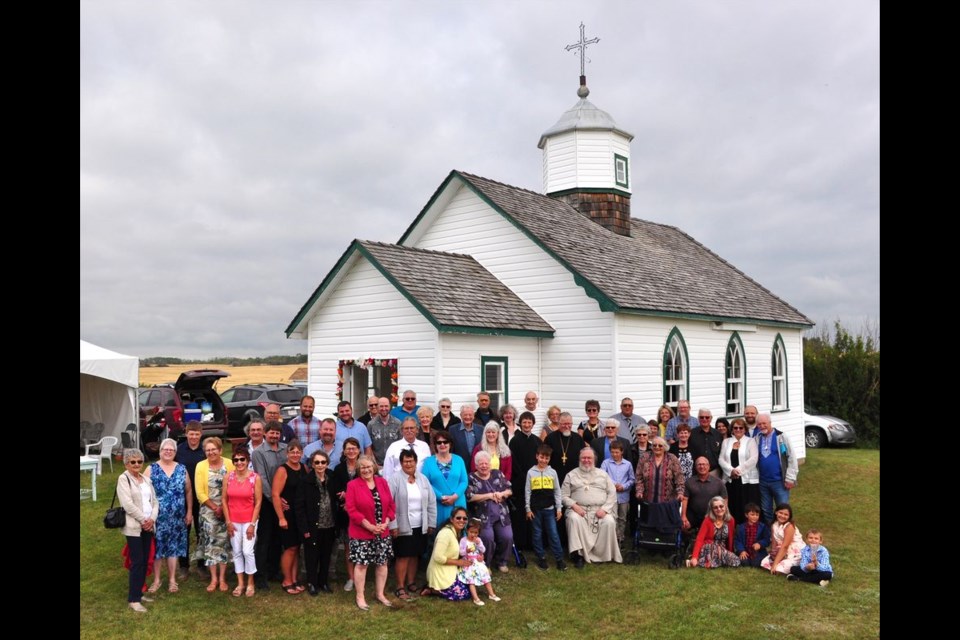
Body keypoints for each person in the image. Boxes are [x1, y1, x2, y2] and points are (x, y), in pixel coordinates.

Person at [345, 455, 396, 610]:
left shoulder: (382, 482)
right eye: (362, 467)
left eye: (368, 466)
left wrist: (386, 523)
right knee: (361, 564)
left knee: (382, 563)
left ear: (374, 467)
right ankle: (360, 596)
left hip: (383, 532)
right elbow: (352, 510)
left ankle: (380, 594)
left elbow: (391, 506)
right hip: (362, 533)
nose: (366, 470)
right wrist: (370, 526)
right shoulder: (352, 485)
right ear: (358, 470)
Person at [145, 438, 193, 595]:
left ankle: (172, 580)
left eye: (171, 450)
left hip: (177, 517)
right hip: (156, 517)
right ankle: (157, 580)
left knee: (173, 548)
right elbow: (143, 493)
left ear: (175, 452)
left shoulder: (181, 469)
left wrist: (189, 511)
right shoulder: (151, 469)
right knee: (158, 549)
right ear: (160, 451)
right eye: (165, 449)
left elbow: (188, 491)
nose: (168, 452)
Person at [387, 448, 436, 601]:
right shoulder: (395, 479)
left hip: (420, 524)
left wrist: (431, 522)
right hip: (402, 525)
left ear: (416, 462)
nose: (408, 464)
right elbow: (389, 504)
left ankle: (411, 582)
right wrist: (393, 525)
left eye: (411, 460)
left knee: (415, 554)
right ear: (401, 463)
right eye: (405, 461)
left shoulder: (422, 479)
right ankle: (400, 586)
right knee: (403, 555)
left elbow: (431, 502)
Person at [562, 448, 622, 567]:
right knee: (573, 519)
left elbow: (612, 493)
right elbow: (563, 496)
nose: (586, 460)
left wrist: (604, 509)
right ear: (579, 459)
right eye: (583, 458)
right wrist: (574, 505)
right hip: (579, 510)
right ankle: (578, 555)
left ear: (594, 459)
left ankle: (603, 555)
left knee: (609, 521)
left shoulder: (603, 475)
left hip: (599, 510)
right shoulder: (571, 475)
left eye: (589, 458)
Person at [117, 448, 158, 613]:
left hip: (148, 525)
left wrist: (152, 519)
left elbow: (155, 501)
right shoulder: (123, 479)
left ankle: (139, 593)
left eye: (139, 461)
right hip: (134, 527)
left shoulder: (146, 479)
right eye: (132, 462)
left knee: (145, 560)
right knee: (137, 562)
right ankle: (133, 599)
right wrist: (143, 520)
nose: (136, 464)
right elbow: (127, 504)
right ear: (126, 463)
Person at [221, 446, 263, 597]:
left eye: (242, 459)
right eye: (236, 460)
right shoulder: (228, 477)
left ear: (247, 460)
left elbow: (258, 502)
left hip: (249, 520)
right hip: (233, 520)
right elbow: (224, 500)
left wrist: (252, 524)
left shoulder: (255, 478)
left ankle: (251, 582)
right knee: (237, 551)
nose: (239, 462)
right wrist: (228, 521)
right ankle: (240, 583)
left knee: (247, 551)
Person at [195, 437, 235, 592]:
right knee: (211, 544)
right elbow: (200, 492)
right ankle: (213, 579)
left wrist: (224, 508)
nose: (211, 452)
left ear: (220, 450)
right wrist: (214, 507)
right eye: (208, 450)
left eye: (213, 449)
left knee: (223, 543)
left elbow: (234, 484)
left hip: (227, 509)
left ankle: (223, 578)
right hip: (208, 511)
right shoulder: (201, 466)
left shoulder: (229, 464)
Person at [295, 450, 338, 596]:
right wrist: (304, 528)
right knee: (312, 556)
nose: (320, 465)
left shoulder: (332, 477)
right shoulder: (305, 481)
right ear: (312, 464)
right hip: (313, 526)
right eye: (317, 462)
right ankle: (312, 582)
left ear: (327, 463)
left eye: (323, 462)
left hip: (330, 524)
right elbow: (299, 507)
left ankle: (323, 582)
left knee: (326, 555)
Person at [251, 421, 287, 590]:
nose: (274, 436)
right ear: (265, 434)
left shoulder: (285, 449)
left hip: (284, 502)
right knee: (264, 539)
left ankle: (274, 570)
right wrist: (275, 499)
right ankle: (261, 575)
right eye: (271, 433)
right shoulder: (258, 453)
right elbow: (262, 478)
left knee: (278, 539)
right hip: (267, 501)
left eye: (277, 433)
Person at [466, 451, 515, 573]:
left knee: (507, 536)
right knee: (487, 537)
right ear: (476, 465)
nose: (484, 466)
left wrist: (502, 493)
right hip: (482, 517)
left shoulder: (497, 474)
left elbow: (510, 490)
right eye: (480, 464)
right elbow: (469, 497)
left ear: (490, 464)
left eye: (486, 463)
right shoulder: (471, 477)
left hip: (502, 515)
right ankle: (485, 564)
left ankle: (502, 561)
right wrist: (489, 495)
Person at [272, 439, 307, 594]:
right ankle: (286, 580)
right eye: (292, 452)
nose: (295, 454)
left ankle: (294, 578)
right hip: (287, 515)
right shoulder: (282, 470)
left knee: (297, 547)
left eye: (298, 452)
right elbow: (275, 494)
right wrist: (281, 517)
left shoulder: (304, 468)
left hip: (300, 514)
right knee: (289, 548)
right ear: (287, 453)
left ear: (302, 453)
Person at [525, 444, 566, 571]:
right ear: (537, 456)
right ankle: (541, 557)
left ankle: (559, 559)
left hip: (549, 509)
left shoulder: (552, 472)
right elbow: (528, 491)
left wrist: (559, 508)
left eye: (546, 458)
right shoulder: (531, 472)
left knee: (553, 534)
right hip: (535, 510)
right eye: (541, 457)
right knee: (537, 534)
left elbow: (557, 491)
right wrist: (528, 509)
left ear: (549, 459)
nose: (543, 460)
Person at [754, 413, 799, 525]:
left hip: (779, 481)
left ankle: (785, 531)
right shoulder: (757, 438)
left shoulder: (782, 437)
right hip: (763, 482)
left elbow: (791, 457)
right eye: (759, 424)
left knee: (783, 509)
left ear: (770, 423)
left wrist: (790, 478)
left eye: (764, 423)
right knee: (766, 509)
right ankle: (771, 532)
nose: (762, 426)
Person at [330, 437, 362, 591]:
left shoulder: (364, 467)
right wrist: (344, 498)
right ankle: (351, 578)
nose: (351, 451)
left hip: (361, 512)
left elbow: (366, 488)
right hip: (344, 513)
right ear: (343, 451)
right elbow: (336, 490)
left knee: (361, 546)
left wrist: (348, 495)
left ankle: (360, 575)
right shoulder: (338, 469)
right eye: (348, 448)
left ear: (359, 450)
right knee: (349, 546)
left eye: (354, 448)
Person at [175, 421, 205, 577]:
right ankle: (183, 565)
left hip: (201, 498)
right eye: (191, 434)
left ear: (201, 434)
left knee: (201, 532)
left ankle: (202, 564)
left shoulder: (205, 450)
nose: (194, 437)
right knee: (183, 532)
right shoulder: (179, 451)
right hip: (183, 497)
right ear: (186, 434)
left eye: (197, 434)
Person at [421, 507, 471, 601]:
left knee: (470, 585)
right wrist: (458, 562)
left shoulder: (456, 532)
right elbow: (438, 557)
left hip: (449, 569)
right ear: (452, 519)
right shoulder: (446, 533)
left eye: (465, 518)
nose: (462, 520)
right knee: (464, 594)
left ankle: (435, 589)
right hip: (440, 572)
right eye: (458, 518)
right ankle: (433, 590)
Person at [421, 431, 469, 528]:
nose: (442, 444)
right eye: (439, 442)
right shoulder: (428, 462)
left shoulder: (459, 460)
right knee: (441, 534)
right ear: (435, 445)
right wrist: (441, 496)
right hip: (439, 504)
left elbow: (464, 481)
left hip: (458, 502)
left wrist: (455, 496)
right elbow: (425, 482)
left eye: (445, 442)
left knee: (459, 533)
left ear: (450, 444)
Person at [719, 417, 760, 523]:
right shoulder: (726, 442)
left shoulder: (751, 441)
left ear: (745, 429)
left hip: (747, 481)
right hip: (730, 479)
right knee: (733, 507)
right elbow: (721, 459)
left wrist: (737, 470)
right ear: (731, 429)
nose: (738, 430)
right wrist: (731, 470)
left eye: (741, 427)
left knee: (747, 507)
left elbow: (753, 459)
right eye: (735, 427)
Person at [509, 411, 540, 551]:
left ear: (533, 424)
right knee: (521, 513)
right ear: (520, 424)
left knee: (533, 511)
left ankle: (533, 542)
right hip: (519, 481)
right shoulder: (514, 441)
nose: (527, 425)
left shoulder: (537, 441)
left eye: (529, 422)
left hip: (534, 482)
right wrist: (523, 476)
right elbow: (513, 461)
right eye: (524, 422)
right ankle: (520, 542)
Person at [458, 518, 502, 606]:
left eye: (476, 533)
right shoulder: (463, 540)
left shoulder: (478, 540)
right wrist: (466, 551)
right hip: (468, 563)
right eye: (471, 532)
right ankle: (476, 598)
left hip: (477, 562)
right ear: (467, 531)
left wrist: (479, 544)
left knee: (486, 578)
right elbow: (460, 552)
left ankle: (491, 594)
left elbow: (483, 550)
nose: (473, 535)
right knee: (471, 580)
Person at [688, 496, 740, 568]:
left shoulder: (731, 520)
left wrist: (730, 552)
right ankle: (702, 561)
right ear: (712, 510)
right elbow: (700, 539)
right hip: (708, 547)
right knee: (713, 547)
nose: (719, 509)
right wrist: (694, 557)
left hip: (722, 549)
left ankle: (708, 562)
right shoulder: (708, 520)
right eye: (715, 507)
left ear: (725, 507)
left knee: (736, 561)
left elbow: (731, 539)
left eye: (721, 506)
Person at [600, 440, 634, 546]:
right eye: (612, 452)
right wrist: (614, 484)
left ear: (622, 452)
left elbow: (632, 479)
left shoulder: (628, 464)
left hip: (623, 496)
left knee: (622, 517)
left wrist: (624, 486)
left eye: (617, 452)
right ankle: (612, 538)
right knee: (612, 517)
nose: (615, 454)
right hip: (610, 496)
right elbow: (602, 476)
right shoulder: (606, 463)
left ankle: (620, 538)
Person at [681, 457, 728, 533]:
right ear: (695, 467)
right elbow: (684, 499)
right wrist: (683, 516)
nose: (702, 467)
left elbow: (725, 500)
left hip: (712, 516)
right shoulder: (689, 482)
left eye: (704, 464)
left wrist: (721, 517)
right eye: (699, 465)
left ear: (709, 466)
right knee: (684, 526)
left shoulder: (718, 483)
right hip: (692, 516)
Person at [635, 436, 685, 506]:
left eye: (660, 445)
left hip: (668, 502)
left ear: (665, 447)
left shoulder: (672, 458)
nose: (657, 447)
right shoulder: (645, 457)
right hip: (648, 501)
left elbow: (679, 477)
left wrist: (680, 492)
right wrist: (639, 491)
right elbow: (639, 477)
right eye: (654, 445)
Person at [761, 503, 804, 575]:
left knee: (777, 570)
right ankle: (779, 563)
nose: (782, 516)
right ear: (776, 512)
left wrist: (775, 564)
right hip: (781, 550)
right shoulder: (774, 525)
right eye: (781, 513)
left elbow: (785, 546)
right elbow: (774, 543)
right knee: (764, 564)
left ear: (789, 516)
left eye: (786, 515)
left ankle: (797, 567)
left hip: (794, 552)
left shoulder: (789, 526)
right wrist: (774, 554)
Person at [546, 412, 584, 484]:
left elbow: (583, 457)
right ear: (559, 424)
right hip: (554, 477)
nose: (567, 426)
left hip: (574, 477)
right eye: (564, 424)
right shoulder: (550, 438)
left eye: (569, 424)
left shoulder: (578, 438)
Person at [367, 397, 402, 466]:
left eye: (386, 406)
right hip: (377, 464)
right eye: (381, 406)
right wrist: (374, 463)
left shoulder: (397, 423)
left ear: (390, 407)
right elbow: (369, 446)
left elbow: (401, 444)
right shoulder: (371, 424)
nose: (384, 409)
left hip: (394, 464)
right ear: (377, 408)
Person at [734, 502, 770, 568]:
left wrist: (760, 544)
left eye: (757, 515)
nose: (755, 517)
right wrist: (742, 551)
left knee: (755, 564)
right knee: (744, 563)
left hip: (758, 552)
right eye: (752, 515)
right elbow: (737, 541)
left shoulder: (763, 527)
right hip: (745, 550)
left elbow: (767, 539)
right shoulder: (741, 527)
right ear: (746, 515)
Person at [688, 409, 723, 477]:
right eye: (701, 417)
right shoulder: (692, 434)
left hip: (714, 472)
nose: (704, 419)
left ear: (711, 418)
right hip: (696, 473)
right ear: (698, 418)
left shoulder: (718, 434)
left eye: (707, 417)